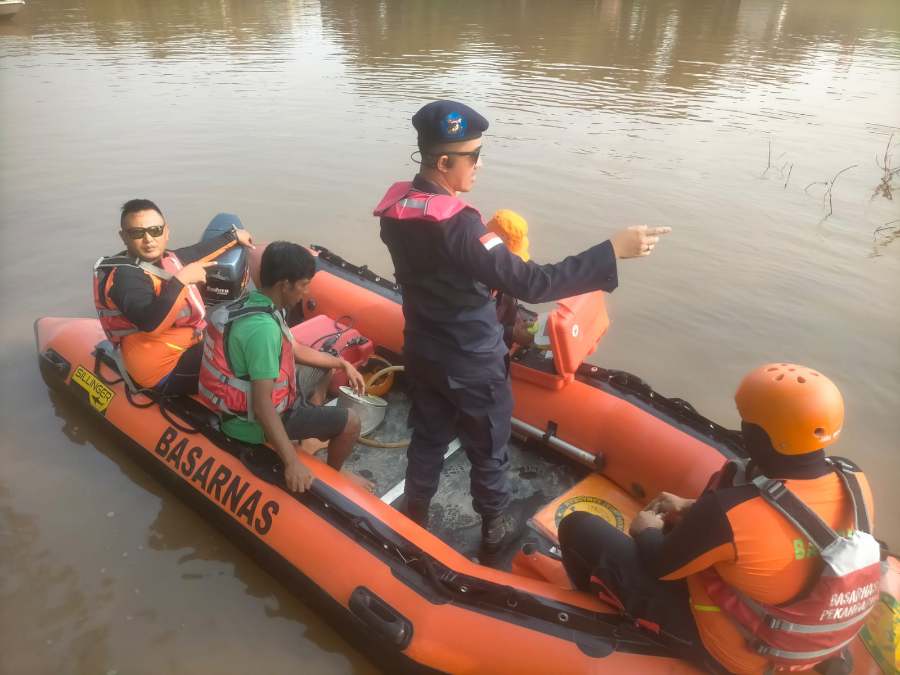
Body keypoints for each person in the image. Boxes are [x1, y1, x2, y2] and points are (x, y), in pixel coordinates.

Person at [374, 99, 671, 560]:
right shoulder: (460, 227)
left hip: (424, 349)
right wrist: (612, 250)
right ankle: (494, 525)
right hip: (471, 360)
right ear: (445, 161)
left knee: (428, 434)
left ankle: (414, 511)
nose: (479, 165)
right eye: (473, 156)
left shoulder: (397, 210)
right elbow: (532, 282)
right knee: (489, 445)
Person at [558, 363, 880, 674]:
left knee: (578, 527)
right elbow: (783, 528)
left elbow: (661, 564)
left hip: (734, 653)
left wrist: (646, 531)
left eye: (747, 421)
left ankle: (592, 609)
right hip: (801, 633)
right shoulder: (855, 481)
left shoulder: (730, 512)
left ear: (760, 437)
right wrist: (691, 508)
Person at [198, 241, 372, 493]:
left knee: (325, 366)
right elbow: (262, 405)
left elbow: (297, 350)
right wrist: (291, 462)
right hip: (255, 424)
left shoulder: (259, 303)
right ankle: (334, 474)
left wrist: (342, 363)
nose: (307, 292)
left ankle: (308, 430)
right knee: (351, 422)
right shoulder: (263, 330)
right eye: (303, 285)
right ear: (284, 285)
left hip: (269, 394)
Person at [93, 199, 255, 395]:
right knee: (246, 360)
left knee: (239, 327)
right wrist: (181, 280)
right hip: (161, 369)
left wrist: (233, 236)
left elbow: (196, 252)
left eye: (155, 230)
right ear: (123, 236)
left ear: (166, 231)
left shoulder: (164, 259)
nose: (148, 239)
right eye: (137, 233)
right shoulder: (125, 278)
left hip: (180, 345)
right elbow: (151, 324)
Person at [486, 209, 535, 348]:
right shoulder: (476, 281)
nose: (515, 265)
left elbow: (504, 305)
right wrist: (511, 333)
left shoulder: (501, 274)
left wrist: (520, 320)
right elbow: (468, 328)